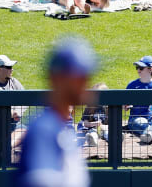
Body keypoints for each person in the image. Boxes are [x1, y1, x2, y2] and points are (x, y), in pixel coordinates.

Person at [14, 37, 97, 187]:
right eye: (80, 78)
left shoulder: (59, 127)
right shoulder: (44, 130)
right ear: (57, 79)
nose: (86, 84)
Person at [77, 82, 109, 147]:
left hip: (105, 128)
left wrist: (105, 126)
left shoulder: (109, 107)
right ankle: (92, 141)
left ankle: (117, 138)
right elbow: (85, 123)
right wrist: (94, 124)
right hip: (92, 128)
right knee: (92, 133)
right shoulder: (90, 107)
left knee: (108, 133)